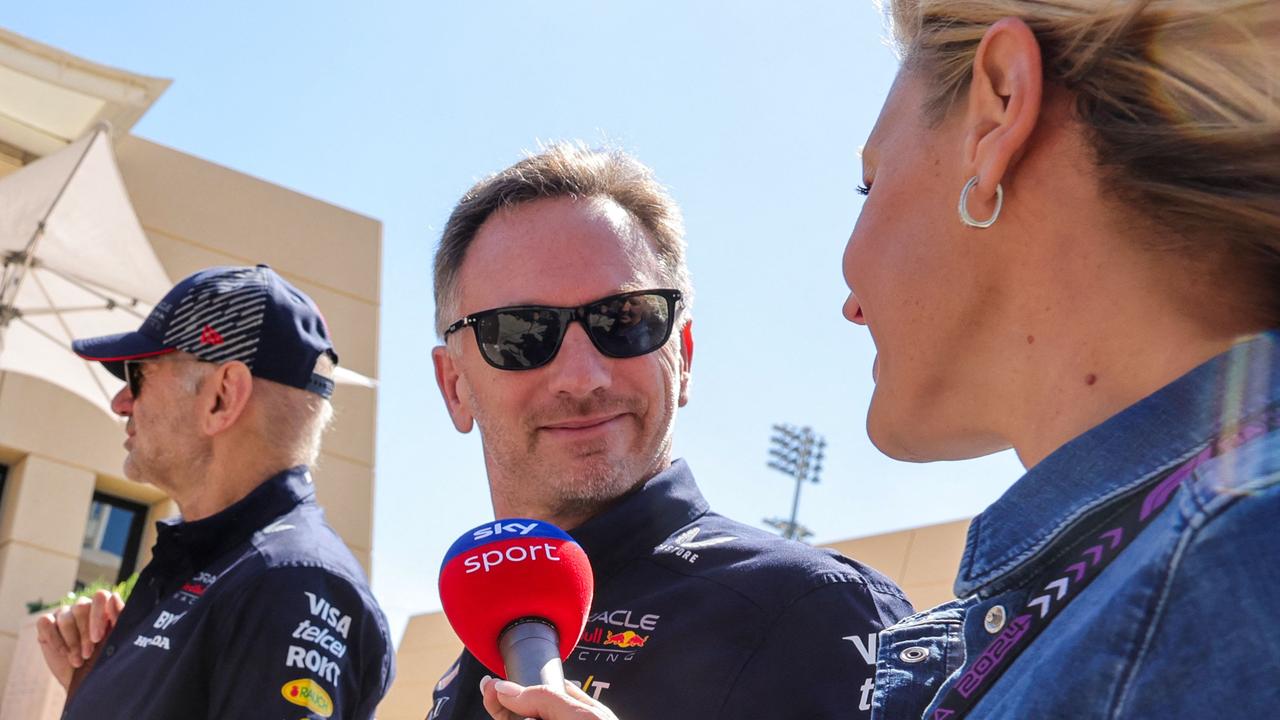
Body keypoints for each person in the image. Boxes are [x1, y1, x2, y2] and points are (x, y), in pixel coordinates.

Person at [482, 1, 1280, 718]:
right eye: (521, 335)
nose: (849, 296)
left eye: (868, 185)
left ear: (1000, 107)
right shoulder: (1120, 591)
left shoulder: (1234, 569)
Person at [429, 144, 912, 720]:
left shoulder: (819, 612)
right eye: (520, 333)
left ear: (681, 355)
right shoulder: (480, 640)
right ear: (455, 385)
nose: (582, 377)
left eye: (625, 320)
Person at [37, 264, 395, 719]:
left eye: (138, 375)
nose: (120, 402)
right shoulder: (219, 567)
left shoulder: (285, 584)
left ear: (222, 397)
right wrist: (92, 685)